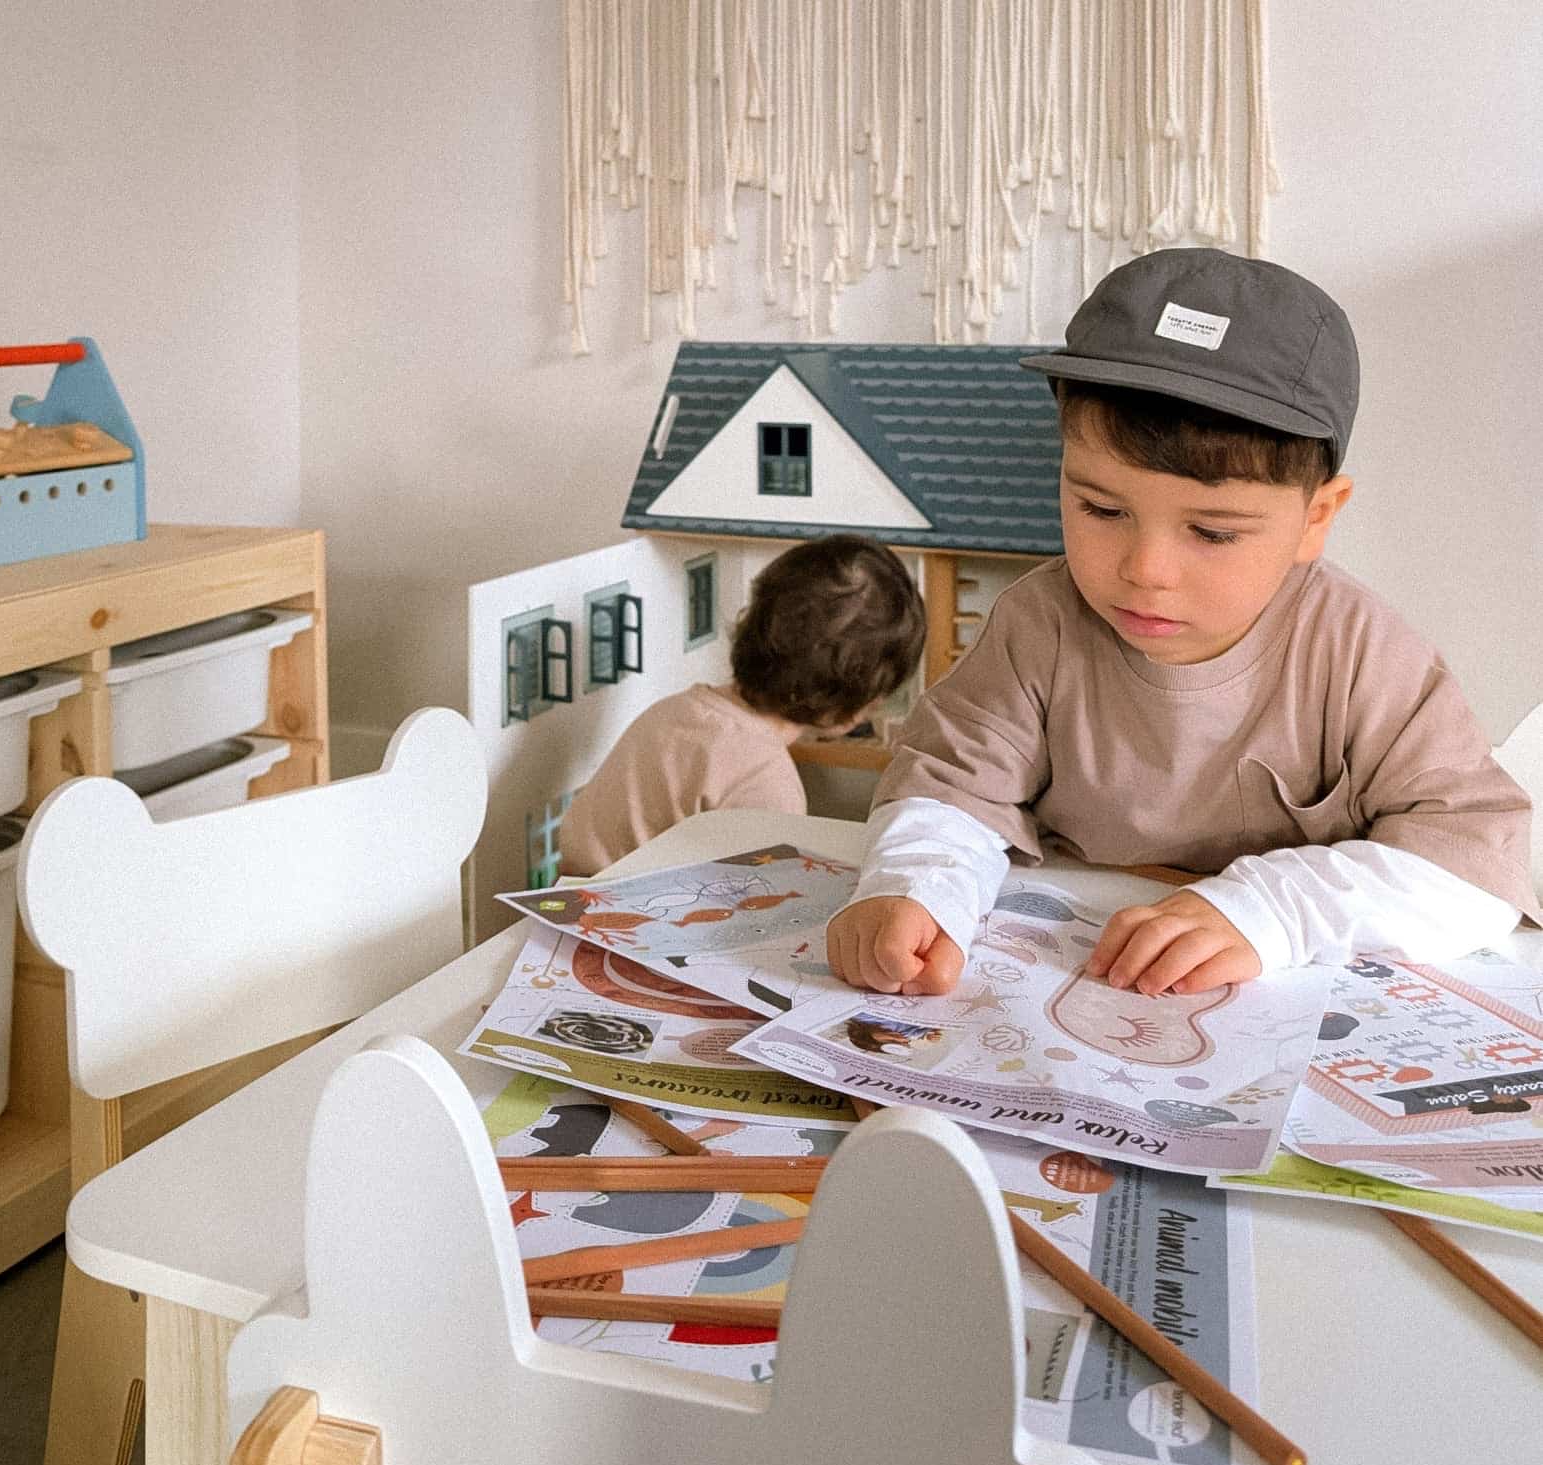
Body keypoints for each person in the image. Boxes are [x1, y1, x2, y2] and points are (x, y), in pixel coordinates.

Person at [827, 247, 1539, 999]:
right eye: (1100, 509)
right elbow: (950, 787)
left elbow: (1475, 864)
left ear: (1314, 518)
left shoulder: (1359, 651)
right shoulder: (1040, 622)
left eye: (1213, 532)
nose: (1146, 569)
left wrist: (1273, 910)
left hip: (1286, 995)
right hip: (1074, 975)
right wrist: (915, 889)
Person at [559, 534, 925, 876]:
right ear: (848, 707)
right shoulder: (767, 783)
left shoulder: (675, 710)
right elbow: (759, 900)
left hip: (566, 894)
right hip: (626, 923)